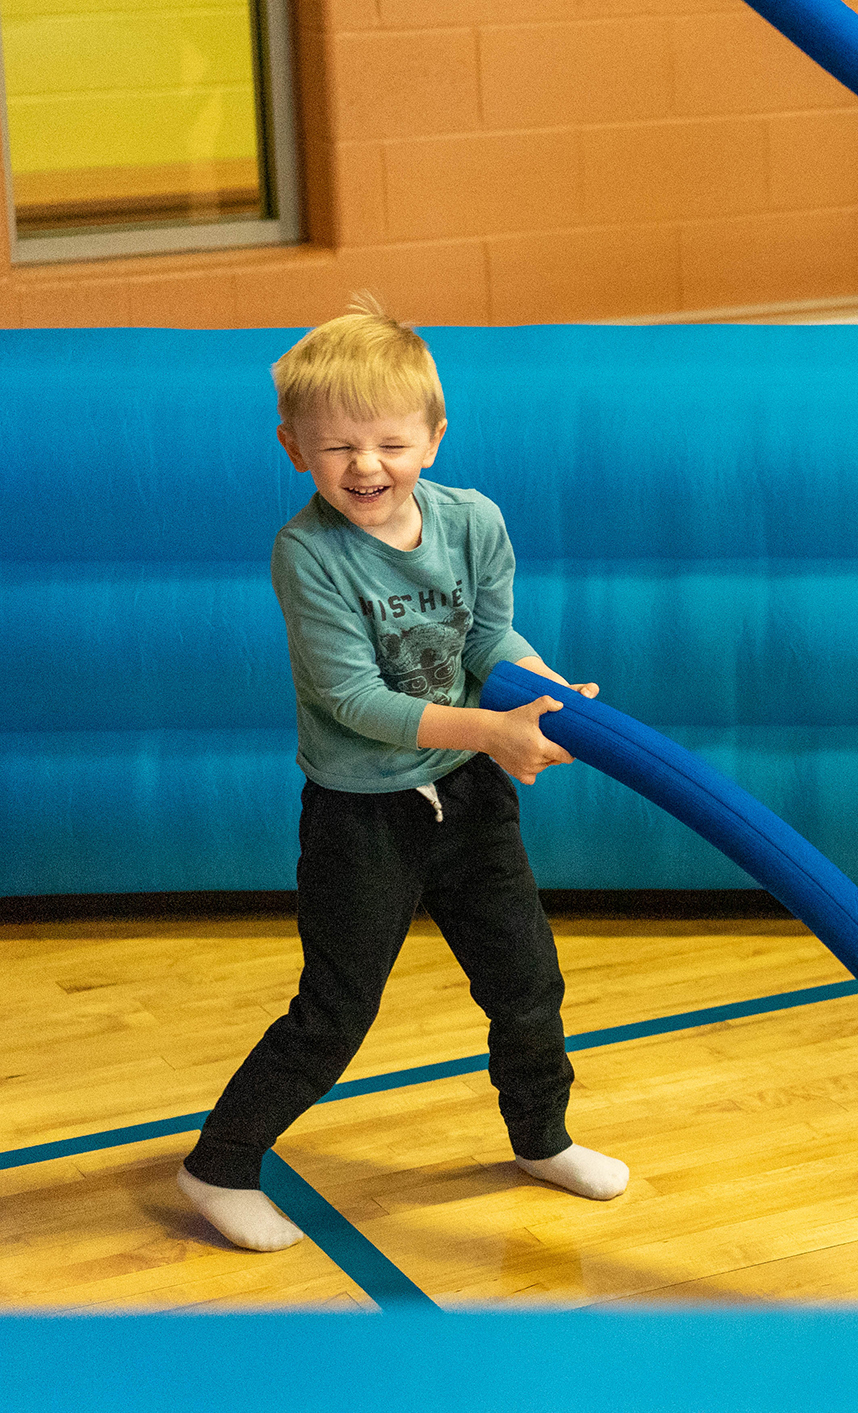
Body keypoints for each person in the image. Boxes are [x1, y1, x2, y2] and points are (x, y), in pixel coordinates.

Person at [177, 298, 627, 1252]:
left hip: (468, 793)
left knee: (527, 981)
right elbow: (356, 699)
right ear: (293, 446)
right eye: (337, 446)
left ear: (434, 436)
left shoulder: (473, 523)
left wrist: (547, 692)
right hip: (361, 813)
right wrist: (497, 729)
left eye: (388, 440)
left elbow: (489, 637)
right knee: (337, 1009)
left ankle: (543, 1138)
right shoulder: (308, 554)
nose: (366, 465)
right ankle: (217, 1166)